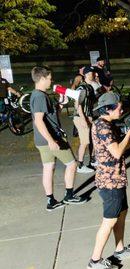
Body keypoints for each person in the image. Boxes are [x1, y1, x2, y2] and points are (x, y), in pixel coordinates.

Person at [87, 92, 130, 269]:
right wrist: (129, 133)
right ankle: (95, 261)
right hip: (109, 182)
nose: (122, 110)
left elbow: (119, 146)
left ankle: (120, 250)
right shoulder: (103, 127)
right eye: (119, 107)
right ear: (108, 109)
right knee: (109, 220)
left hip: (116, 179)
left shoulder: (106, 124)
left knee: (121, 214)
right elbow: (116, 152)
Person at [30, 66, 86, 211]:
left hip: (42, 140)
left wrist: (61, 103)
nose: (51, 81)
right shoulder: (40, 96)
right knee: (72, 164)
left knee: (48, 168)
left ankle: (51, 200)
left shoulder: (37, 95)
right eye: (49, 78)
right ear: (42, 79)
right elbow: (39, 120)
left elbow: (50, 116)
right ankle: (69, 195)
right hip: (52, 138)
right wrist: (51, 140)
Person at [73, 66, 99, 174]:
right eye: (92, 73)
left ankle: (93, 160)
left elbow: (92, 101)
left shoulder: (90, 87)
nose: (94, 75)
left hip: (88, 116)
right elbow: (77, 104)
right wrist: (84, 119)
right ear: (86, 74)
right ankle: (80, 165)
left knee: (94, 137)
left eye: (94, 73)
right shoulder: (81, 88)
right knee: (84, 142)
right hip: (81, 117)